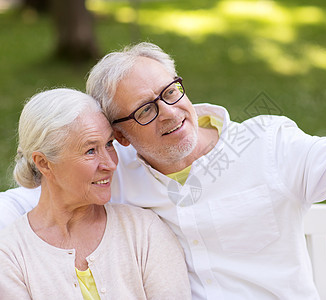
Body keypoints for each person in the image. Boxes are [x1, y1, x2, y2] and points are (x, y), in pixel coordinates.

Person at [0, 26, 326, 299]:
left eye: (171, 92)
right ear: (121, 135)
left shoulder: (266, 145)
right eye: (145, 109)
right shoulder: (114, 169)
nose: (170, 113)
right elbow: (32, 200)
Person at [0, 88, 191, 299]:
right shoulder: (9, 255)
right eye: (90, 151)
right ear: (44, 163)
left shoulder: (144, 232)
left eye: (109, 144)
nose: (110, 164)